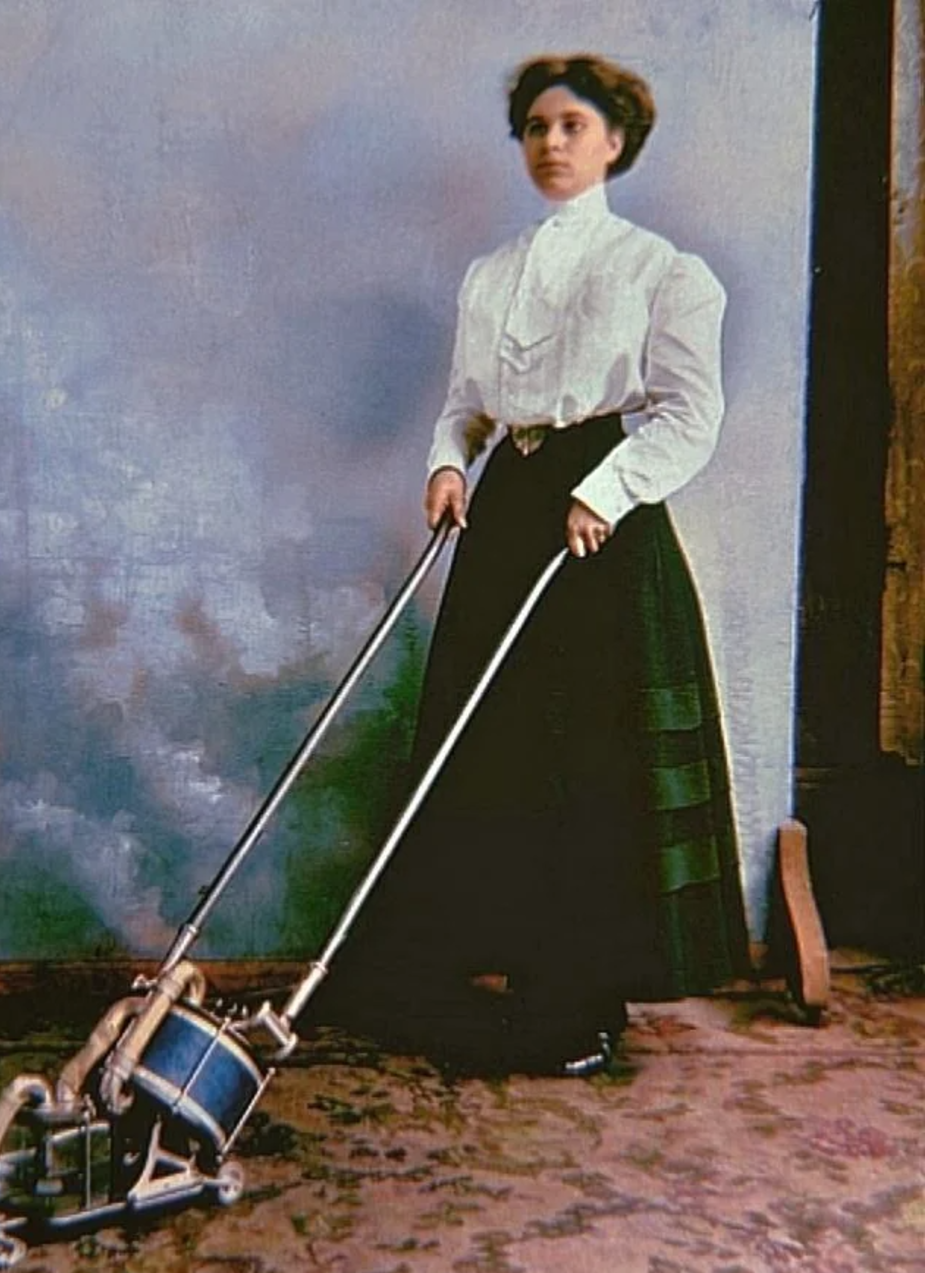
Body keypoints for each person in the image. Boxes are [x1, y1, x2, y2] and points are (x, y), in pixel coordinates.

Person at [320, 53, 750, 1076]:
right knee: (499, 745)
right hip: (511, 515)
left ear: (614, 141)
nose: (551, 144)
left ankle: (586, 999)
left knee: (591, 760)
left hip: (602, 519)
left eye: (573, 126)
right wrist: (445, 464)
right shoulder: (492, 276)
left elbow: (691, 415)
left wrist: (602, 491)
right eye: (536, 128)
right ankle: (511, 974)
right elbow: (469, 404)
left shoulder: (663, 273)